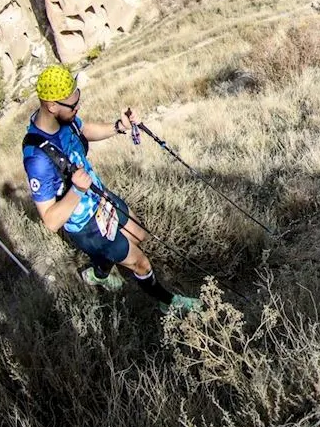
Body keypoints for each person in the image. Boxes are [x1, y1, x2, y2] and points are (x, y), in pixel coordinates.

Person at [22, 65, 197, 313]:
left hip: (100, 198)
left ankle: (98, 273)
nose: (77, 108)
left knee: (139, 235)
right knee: (141, 264)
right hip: (85, 224)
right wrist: (77, 191)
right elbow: (50, 220)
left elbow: (83, 130)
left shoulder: (63, 119)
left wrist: (118, 126)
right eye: (73, 105)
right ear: (51, 105)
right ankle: (167, 303)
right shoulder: (36, 158)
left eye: (78, 99)